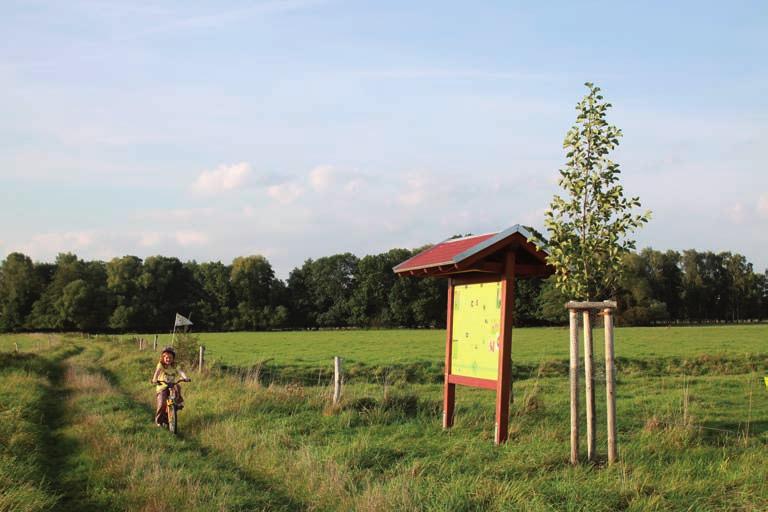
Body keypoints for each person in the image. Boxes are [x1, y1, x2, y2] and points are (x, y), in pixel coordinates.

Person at [151, 346, 190, 426]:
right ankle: (159, 421)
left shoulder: (175, 365)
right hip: (162, 386)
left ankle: (177, 403)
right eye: (166, 357)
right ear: (163, 357)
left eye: (170, 358)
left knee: (177, 386)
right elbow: (157, 373)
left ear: (173, 358)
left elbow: (180, 371)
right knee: (162, 404)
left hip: (171, 385)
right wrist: (155, 379)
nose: (168, 359)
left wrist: (185, 377)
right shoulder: (161, 364)